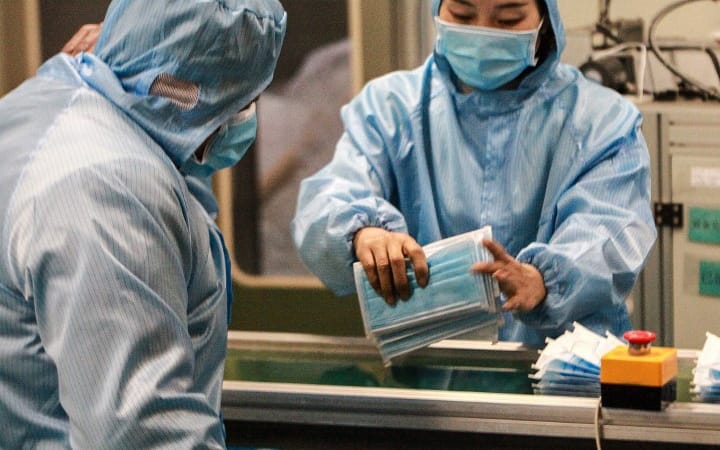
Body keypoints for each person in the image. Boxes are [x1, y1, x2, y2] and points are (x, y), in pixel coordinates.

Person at [0, 0, 285, 447]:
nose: (247, 116)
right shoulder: (111, 186)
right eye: (244, 100)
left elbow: (174, 193)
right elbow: (140, 431)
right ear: (194, 94)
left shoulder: (51, 104)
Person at [292, 0, 656, 347]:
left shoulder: (599, 122)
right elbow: (330, 198)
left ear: (546, 21)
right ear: (438, 9)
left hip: (561, 373)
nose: (484, 33)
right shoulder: (390, 108)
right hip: (427, 374)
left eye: (509, 19)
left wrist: (546, 280)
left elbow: (610, 230)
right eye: (463, 15)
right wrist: (363, 232)